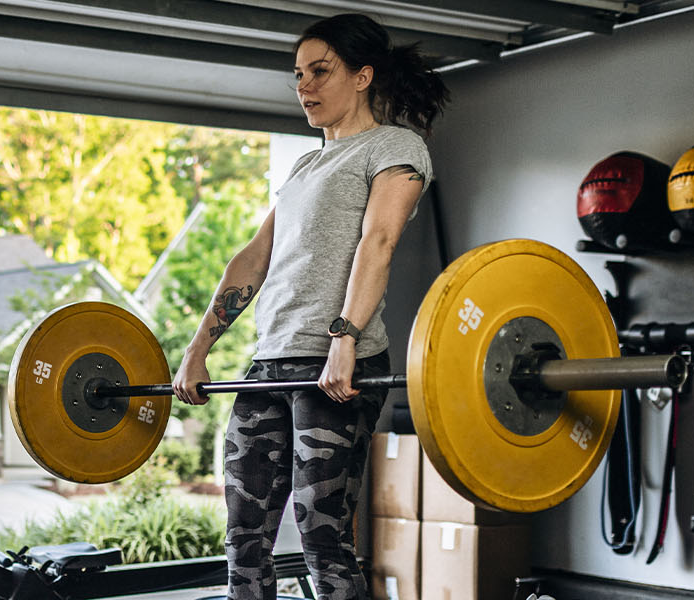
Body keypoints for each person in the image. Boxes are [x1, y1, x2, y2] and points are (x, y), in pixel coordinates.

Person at [170, 13, 449, 600]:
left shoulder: (396, 146)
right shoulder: (304, 166)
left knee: (323, 540)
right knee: (243, 538)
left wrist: (343, 342)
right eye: (298, 75)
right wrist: (198, 350)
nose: (305, 87)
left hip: (336, 369)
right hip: (268, 363)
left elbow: (380, 242)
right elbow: (254, 258)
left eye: (320, 72)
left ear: (363, 75)